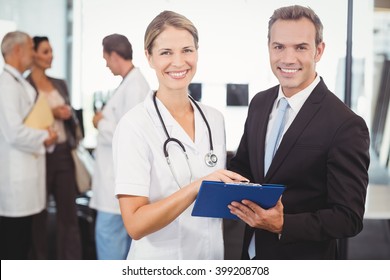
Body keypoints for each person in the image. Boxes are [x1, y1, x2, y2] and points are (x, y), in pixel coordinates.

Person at [227, 5, 370, 260]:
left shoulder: (346, 125)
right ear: (269, 47)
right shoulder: (259, 103)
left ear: (319, 50)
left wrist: (283, 225)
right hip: (250, 257)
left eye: (300, 47)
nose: (288, 59)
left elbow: (348, 218)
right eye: (279, 47)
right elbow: (245, 168)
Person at [113, 10, 248, 260]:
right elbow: (135, 225)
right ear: (149, 57)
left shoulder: (214, 119)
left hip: (211, 259)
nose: (178, 62)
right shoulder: (134, 126)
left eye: (187, 50)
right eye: (166, 52)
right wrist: (197, 187)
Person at [89, 33, 150, 260]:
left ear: (114, 55)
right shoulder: (129, 83)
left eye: (106, 58)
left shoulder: (135, 87)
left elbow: (128, 135)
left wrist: (100, 122)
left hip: (116, 184)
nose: (106, 64)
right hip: (114, 182)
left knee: (108, 239)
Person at [0, 31, 58, 259]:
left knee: (24, 243)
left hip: (28, 175)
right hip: (16, 180)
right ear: (17, 51)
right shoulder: (6, 85)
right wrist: (44, 136)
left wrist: (46, 134)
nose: (33, 54)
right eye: (30, 48)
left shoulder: (19, 82)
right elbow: (13, 133)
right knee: (13, 247)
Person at [26, 36, 83, 259]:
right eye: (45, 51)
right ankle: (38, 263)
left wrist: (67, 114)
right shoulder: (25, 85)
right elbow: (23, 121)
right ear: (34, 55)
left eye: (51, 51)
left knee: (68, 215)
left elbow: (73, 122)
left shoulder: (60, 83)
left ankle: (70, 263)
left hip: (62, 153)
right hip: (38, 155)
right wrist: (53, 113)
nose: (51, 56)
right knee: (37, 214)